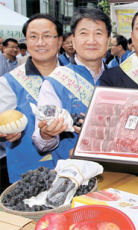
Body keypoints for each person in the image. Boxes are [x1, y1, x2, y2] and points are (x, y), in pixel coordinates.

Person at [32, 8, 111, 162]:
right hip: (73, 174)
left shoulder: (118, 78)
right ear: (73, 41)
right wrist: (47, 133)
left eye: (98, 34)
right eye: (84, 33)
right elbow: (41, 143)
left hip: (117, 172)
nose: (91, 40)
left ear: (107, 41)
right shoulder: (56, 81)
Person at [0, 14, 63, 183]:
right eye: (33, 37)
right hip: (28, 175)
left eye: (47, 36)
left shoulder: (73, 77)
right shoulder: (9, 81)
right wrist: (5, 133)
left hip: (72, 171)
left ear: (60, 41)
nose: (40, 42)